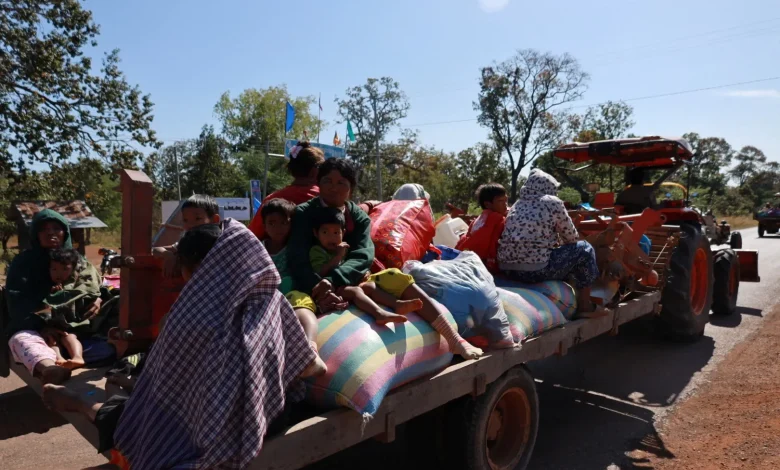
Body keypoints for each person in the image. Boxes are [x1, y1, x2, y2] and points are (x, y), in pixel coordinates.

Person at [44, 221, 318, 469]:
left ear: (193, 271)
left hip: (200, 432)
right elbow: (311, 368)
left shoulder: (188, 317)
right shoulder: (272, 301)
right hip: (264, 421)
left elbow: (164, 387)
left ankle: (79, 403)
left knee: (130, 418)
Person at [288, 159, 482, 360]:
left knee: (397, 277)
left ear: (351, 189)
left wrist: (334, 279)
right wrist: (318, 287)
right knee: (297, 302)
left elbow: (363, 254)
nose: (333, 188)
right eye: (327, 181)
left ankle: (454, 339)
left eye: (341, 183)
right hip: (312, 280)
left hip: (349, 278)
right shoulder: (304, 213)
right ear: (318, 183)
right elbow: (297, 255)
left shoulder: (357, 216)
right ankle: (309, 354)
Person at [5, 210, 103, 385]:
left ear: (64, 232)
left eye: (56, 228)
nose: (50, 232)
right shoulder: (23, 263)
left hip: (75, 324)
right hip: (35, 326)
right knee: (22, 340)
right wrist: (42, 325)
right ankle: (50, 368)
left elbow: (93, 284)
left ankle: (80, 357)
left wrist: (97, 299)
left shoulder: (77, 260)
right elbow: (16, 302)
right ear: (35, 234)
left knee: (113, 325)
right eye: (43, 229)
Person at [498, 169, 600, 315]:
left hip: (508, 270)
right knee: (585, 249)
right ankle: (585, 306)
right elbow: (571, 238)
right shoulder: (552, 202)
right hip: (535, 270)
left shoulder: (517, 205)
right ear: (548, 187)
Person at [310, 207, 423, 325]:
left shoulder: (344, 247)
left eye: (336, 232)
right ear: (315, 233)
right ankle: (379, 313)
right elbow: (321, 272)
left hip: (347, 285)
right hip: (331, 290)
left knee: (370, 286)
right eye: (325, 232)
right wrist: (338, 256)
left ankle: (397, 304)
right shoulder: (317, 251)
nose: (331, 237)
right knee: (355, 291)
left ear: (343, 233)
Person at [260, 198, 328, 377]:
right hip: (264, 298)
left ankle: (310, 352)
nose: (278, 228)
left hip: (292, 296)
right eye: (272, 223)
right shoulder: (259, 248)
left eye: (284, 223)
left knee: (303, 309)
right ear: (264, 225)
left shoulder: (296, 248)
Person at [38, 248, 102, 369]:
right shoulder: (49, 285)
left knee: (69, 337)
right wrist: (54, 294)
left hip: (74, 324)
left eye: (64, 269)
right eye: (54, 269)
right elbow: (46, 305)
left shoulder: (77, 283)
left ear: (73, 269)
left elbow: (82, 297)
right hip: (55, 326)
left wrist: (62, 295)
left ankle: (77, 357)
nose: (58, 273)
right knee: (51, 340)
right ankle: (59, 359)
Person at [248, 141, 325, 239]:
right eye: (322, 168)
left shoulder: (272, 200)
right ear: (314, 171)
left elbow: (251, 237)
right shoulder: (326, 198)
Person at [153, 194, 221, 277]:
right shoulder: (186, 243)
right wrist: (168, 255)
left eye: (197, 219)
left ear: (215, 220)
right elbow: (155, 250)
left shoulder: (222, 242)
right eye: (185, 220)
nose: (190, 225)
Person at [456, 183, 509, 272]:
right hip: (485, 263)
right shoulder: (496, 218)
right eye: (501, 201)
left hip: (470, 258)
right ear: (488, 204)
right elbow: (494, 244)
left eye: (506, 200)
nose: (505, 204)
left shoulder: (478, 219)